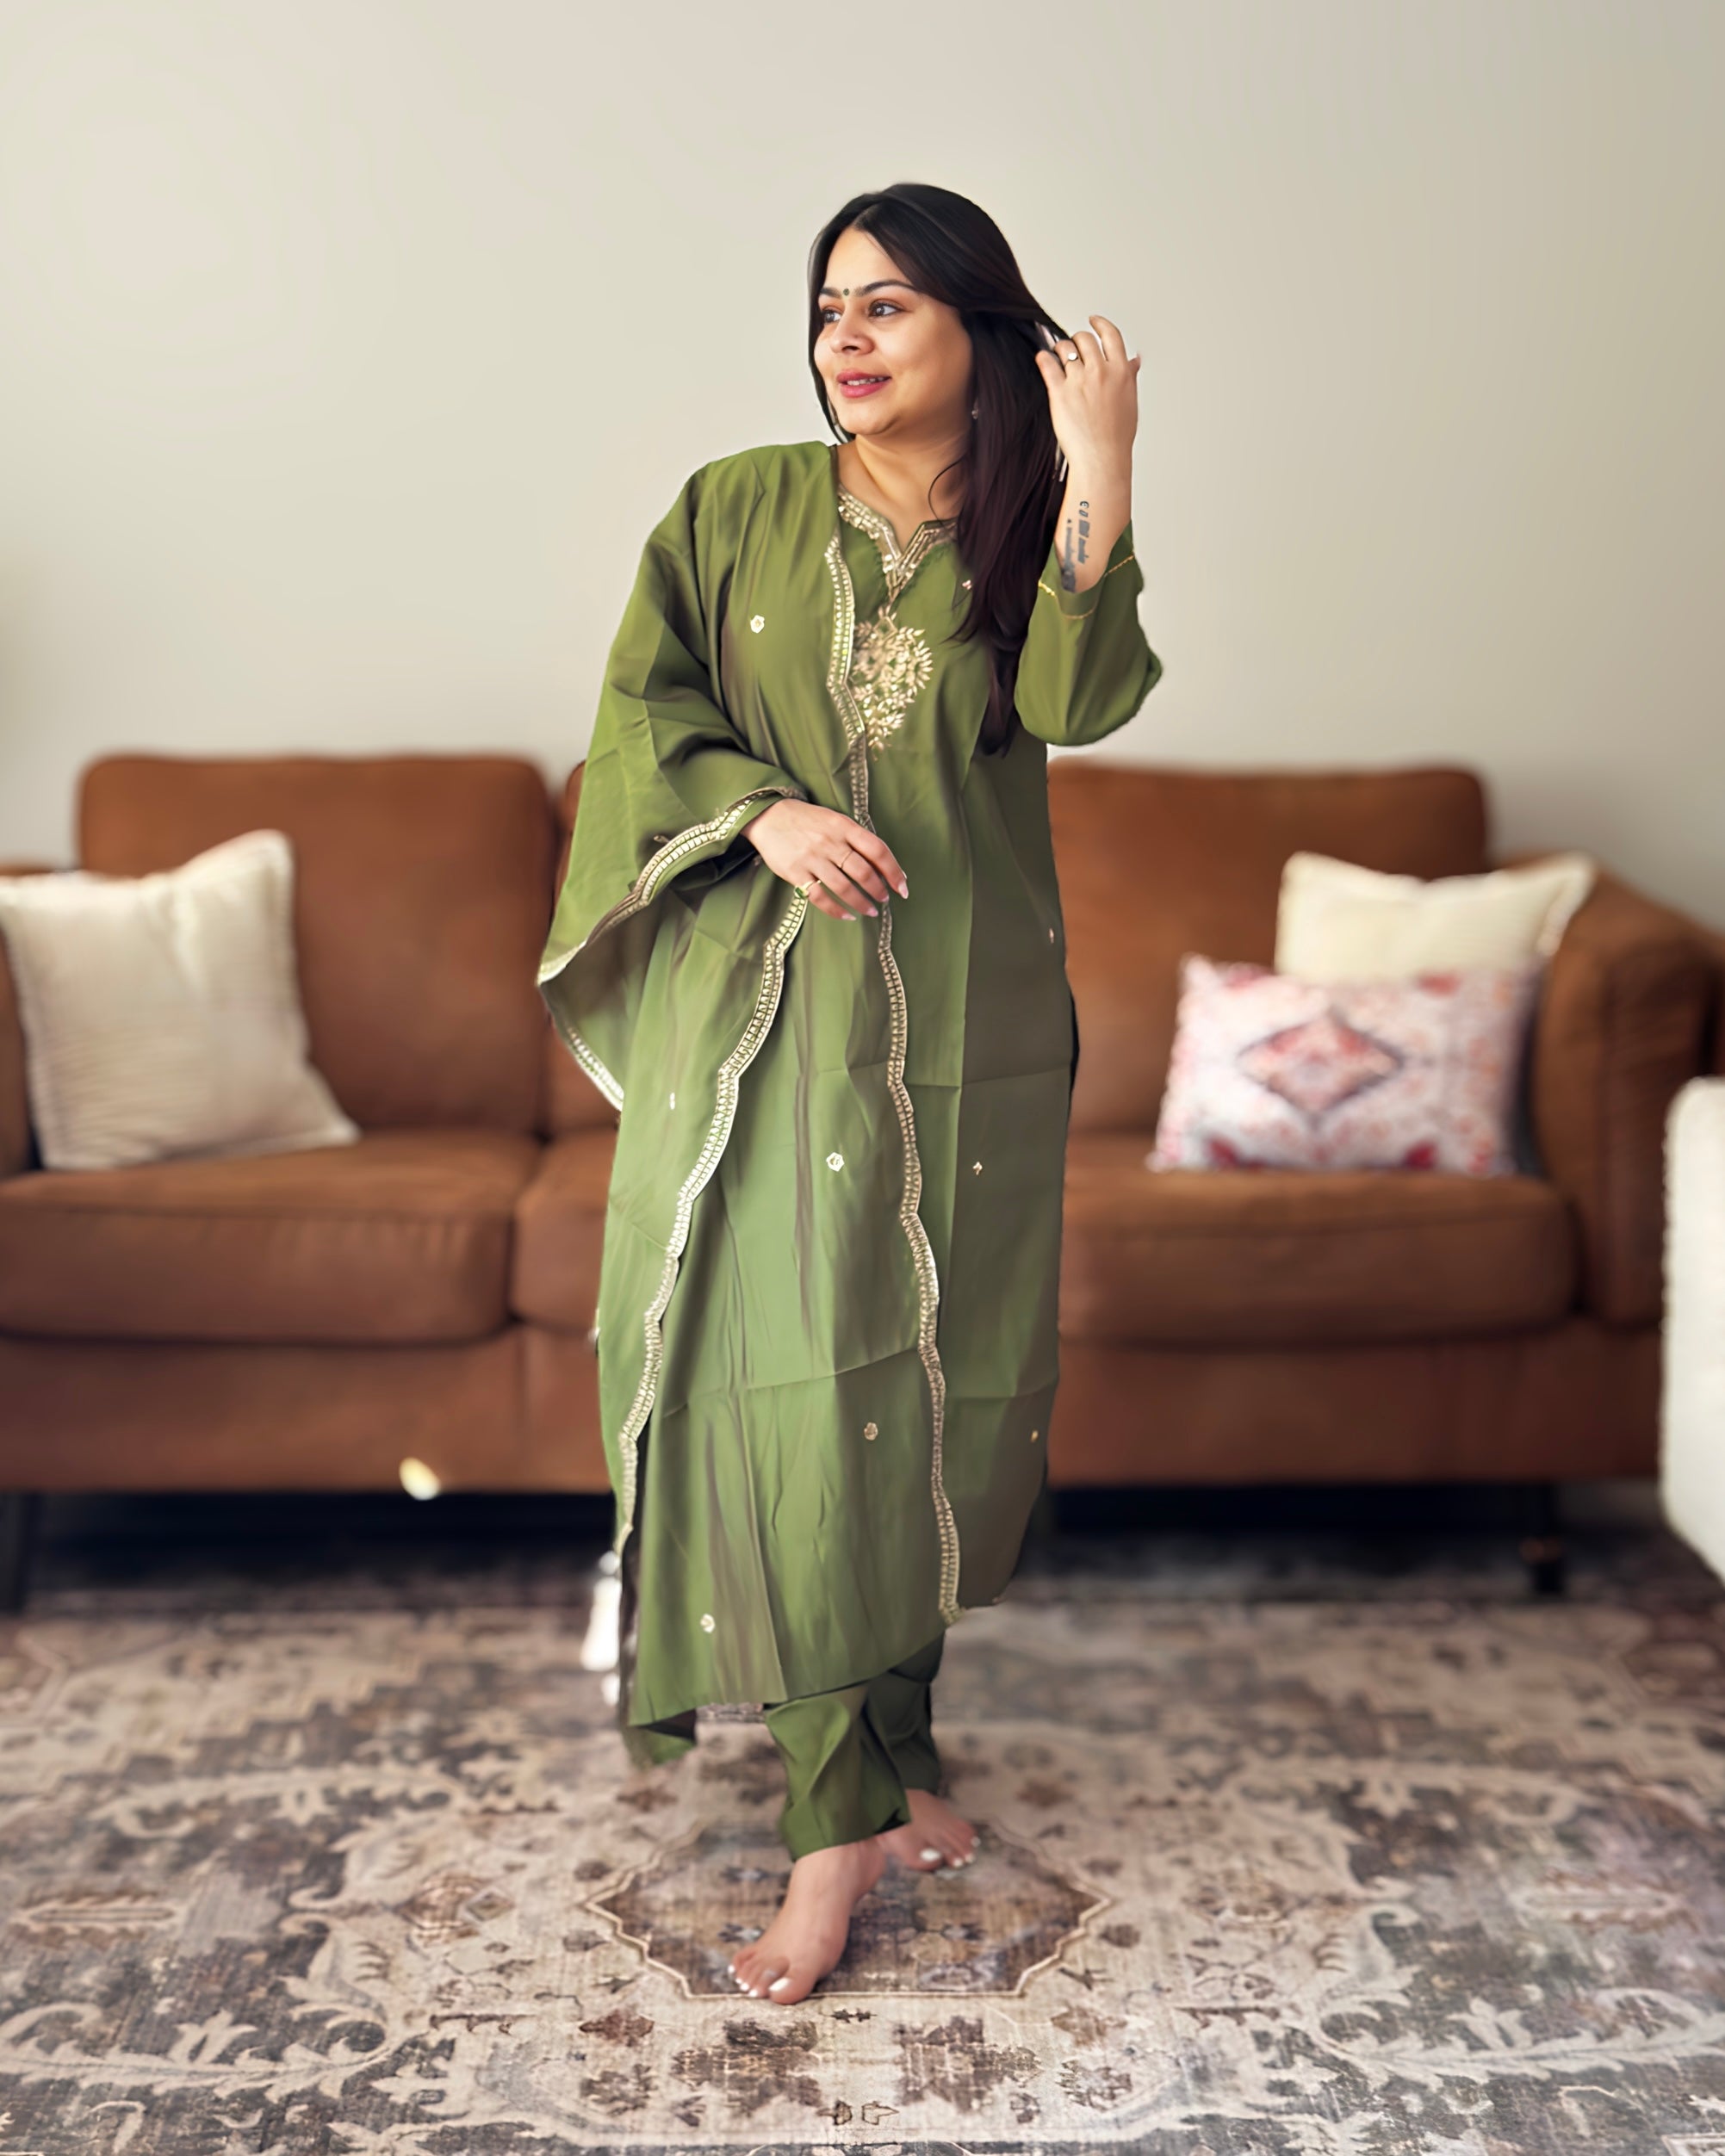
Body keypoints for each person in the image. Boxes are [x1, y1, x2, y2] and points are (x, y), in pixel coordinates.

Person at [538, 182, 1161, 2005]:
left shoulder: (1028, 525)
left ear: (980, 330)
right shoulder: (736, 509)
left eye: (892, 304)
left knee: (939, 1370)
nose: (848, 335)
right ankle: (827, 1840)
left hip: (974, 1017)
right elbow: (643, 715)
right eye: (831, 305)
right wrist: (769, 811)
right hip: (773, 1009)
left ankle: (892, 1758)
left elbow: (1081, 690)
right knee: (808, 1393)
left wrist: (1102, 457)